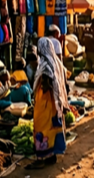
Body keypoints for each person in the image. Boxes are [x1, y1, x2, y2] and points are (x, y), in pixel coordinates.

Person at [27, 37, 69, 169]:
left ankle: (41, 158)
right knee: (51, 128)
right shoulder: (56, 62)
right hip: (54, 104)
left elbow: (47, 82)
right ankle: (51, 156)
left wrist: (42, 84)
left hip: (45, 103)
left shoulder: (45, 64)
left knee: (41, 128)